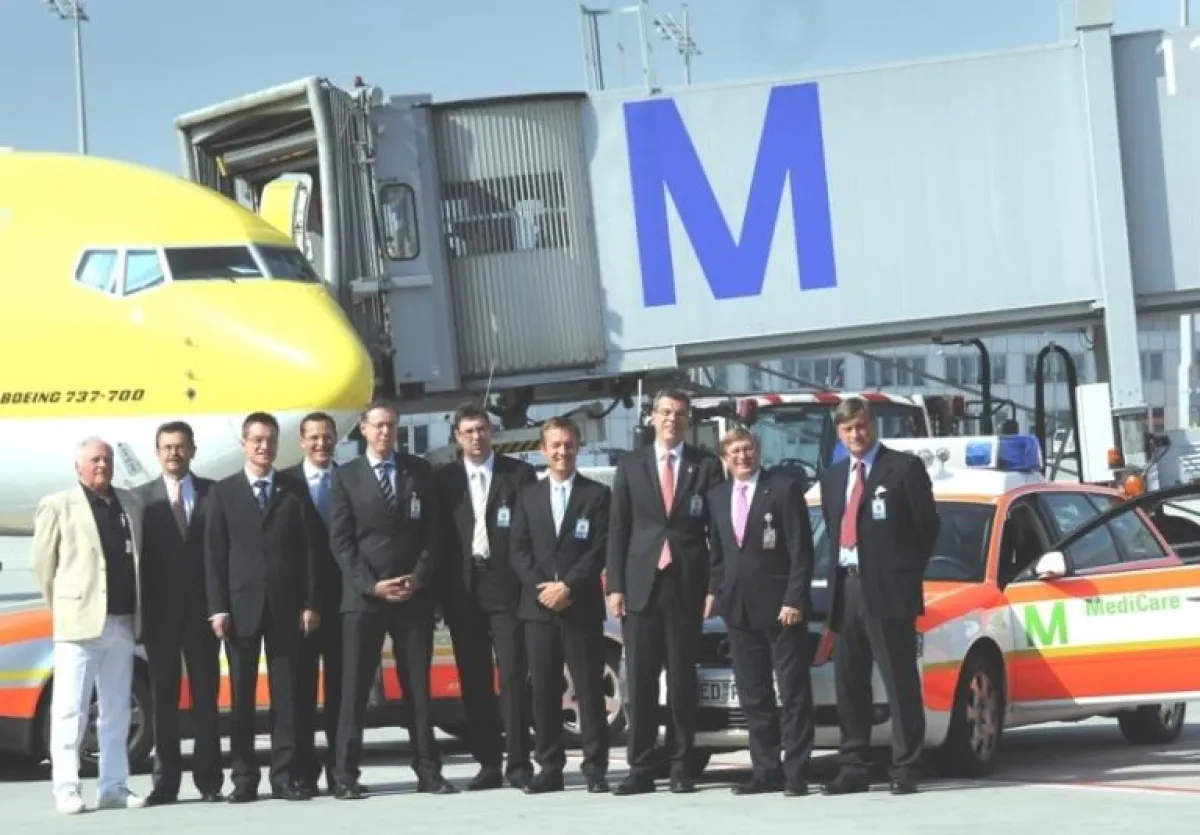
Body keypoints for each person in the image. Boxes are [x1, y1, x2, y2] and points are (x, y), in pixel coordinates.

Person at [330, 401, 456, 799]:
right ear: (363, 429)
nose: (385, 432)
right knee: (354, 688)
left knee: (417, 687)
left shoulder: (417, 471)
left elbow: (434, 533)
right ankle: (345, 774)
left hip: (411, 597)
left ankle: (428, 770)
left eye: (391, 425)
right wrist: (372, 585)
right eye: (378, 425)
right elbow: (342, 542)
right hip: (365, 599)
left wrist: (418, 577)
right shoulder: (346, 476)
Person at [605, 388, 724, 795]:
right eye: (666, 412)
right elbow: (618, 528)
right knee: (640, 680)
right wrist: (615, 586)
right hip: (642, 585)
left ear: (688, 420)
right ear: (653, 417)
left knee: (681, 680)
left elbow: (717, 532)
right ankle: (640, 766)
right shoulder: (631, 464)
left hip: (686, 586)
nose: (673, 419)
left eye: (680, 414)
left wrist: (713, 586)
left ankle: (681, 765)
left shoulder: (705, 466)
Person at [818, 397, 939, 796]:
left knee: (898, 680)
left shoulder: (903, 468)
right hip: (846, 588)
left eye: (861, 425)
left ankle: (906, 765)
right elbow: (834, 530)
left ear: (872, 424)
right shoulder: (833, 477)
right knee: (850, 682)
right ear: (839, 434)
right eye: (848, 429)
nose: (856, 434)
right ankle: (853, 766)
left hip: (888, 591)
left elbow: (926, 529)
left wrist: (902, 576)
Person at [205, 412, 320, 803]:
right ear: (244, 443)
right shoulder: (224, 492)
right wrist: (218, 607)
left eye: (270, 440)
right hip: (240, 610)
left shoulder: (293, 490)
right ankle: (244, 778)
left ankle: (284, 776)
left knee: (285, 698)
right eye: (257, 440)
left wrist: (310, 602)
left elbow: (308, 551)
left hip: (286, 608)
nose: (264, 447)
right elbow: (214, 555)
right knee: (241, 697)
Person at [32, 437, 147, 814]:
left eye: (107, 459)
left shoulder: (129, 503)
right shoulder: (58, 505)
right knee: (70, 709)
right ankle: (66, 788)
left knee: (116, 710)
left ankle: (113, 786)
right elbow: (43, 566)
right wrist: (65, 607)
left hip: (122, 622)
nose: (102, 465)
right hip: (79, 624)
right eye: (95, 459)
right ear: (78, 466)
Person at [705, 427, 815, 797]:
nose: (742, 456)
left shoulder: (782, 489)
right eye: (735, 451)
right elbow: (718, 554)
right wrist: (717, 592)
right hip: (739, 609)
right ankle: (765, 770)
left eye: (748, 449)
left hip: (782, 608)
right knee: (754, 694)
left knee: (793, 691)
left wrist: (794, 599)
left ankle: (796, 772)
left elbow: (801, 550)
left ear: (758, 451)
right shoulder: (717, 496)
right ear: (724, 458)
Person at [434, 403, 537, 791]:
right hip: (463, 589)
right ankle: (489, 763)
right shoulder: (444, 480)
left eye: (482, 429)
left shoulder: (519, 474)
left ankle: (519, 763)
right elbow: (439, 540)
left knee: (512, 677)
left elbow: (529, 533)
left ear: (491, 432)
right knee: (474, 678)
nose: (476, 437)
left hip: (505, 586)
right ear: (457, 437)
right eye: (469, 431)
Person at [510, 417, 611, 795]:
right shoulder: (527, 496)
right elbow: (518, 550)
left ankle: (595, 767)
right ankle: (549, 767)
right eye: (555, 445)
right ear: (543, 449)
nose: (562, 451)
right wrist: (543, 589)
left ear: (578, 447)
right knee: (544, 690)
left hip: (579, 605)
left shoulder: (597, 495)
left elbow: (599, 548)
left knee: (588, 688)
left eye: (569, 444)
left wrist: (568, 586)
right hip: (538, 609)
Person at [137, 421, 224, 805]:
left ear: (192, 449)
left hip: (204, 614)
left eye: (180, 446)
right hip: (160, 617)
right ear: (158, 453)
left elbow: (221, 553)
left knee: (206, 698)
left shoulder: (213, 493)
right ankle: (165, 783)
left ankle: (209, 781)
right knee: (163, 700)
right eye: (167, 447)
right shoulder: (141, 499)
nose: (174, 453)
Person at [283, 411, 343, 797]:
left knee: (341, 691)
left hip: (342, 602)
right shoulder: (285, 484)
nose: (322, 444)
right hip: (298, 606)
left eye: (327, 436)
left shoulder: (350, 479)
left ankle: (341, 771)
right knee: (300, 692)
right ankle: (303, 771)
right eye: (314, 438)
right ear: (302, 441)